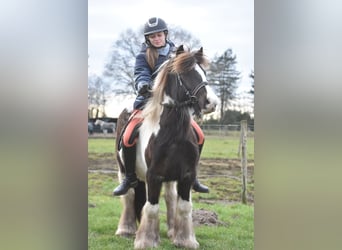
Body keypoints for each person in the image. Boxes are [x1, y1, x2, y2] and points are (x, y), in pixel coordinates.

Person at [113, 17, 209, 196]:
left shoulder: (178, 54)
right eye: (152, 36)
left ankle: (192, 175)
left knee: (200, 136)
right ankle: (129, 177)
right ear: (147, 39)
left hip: (174, 106)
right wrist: (142, 84)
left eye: (159, 35)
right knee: (127, 136)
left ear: (165, 34)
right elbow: (140, 73)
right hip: (148, 103)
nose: (157, 39)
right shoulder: (143, 56)